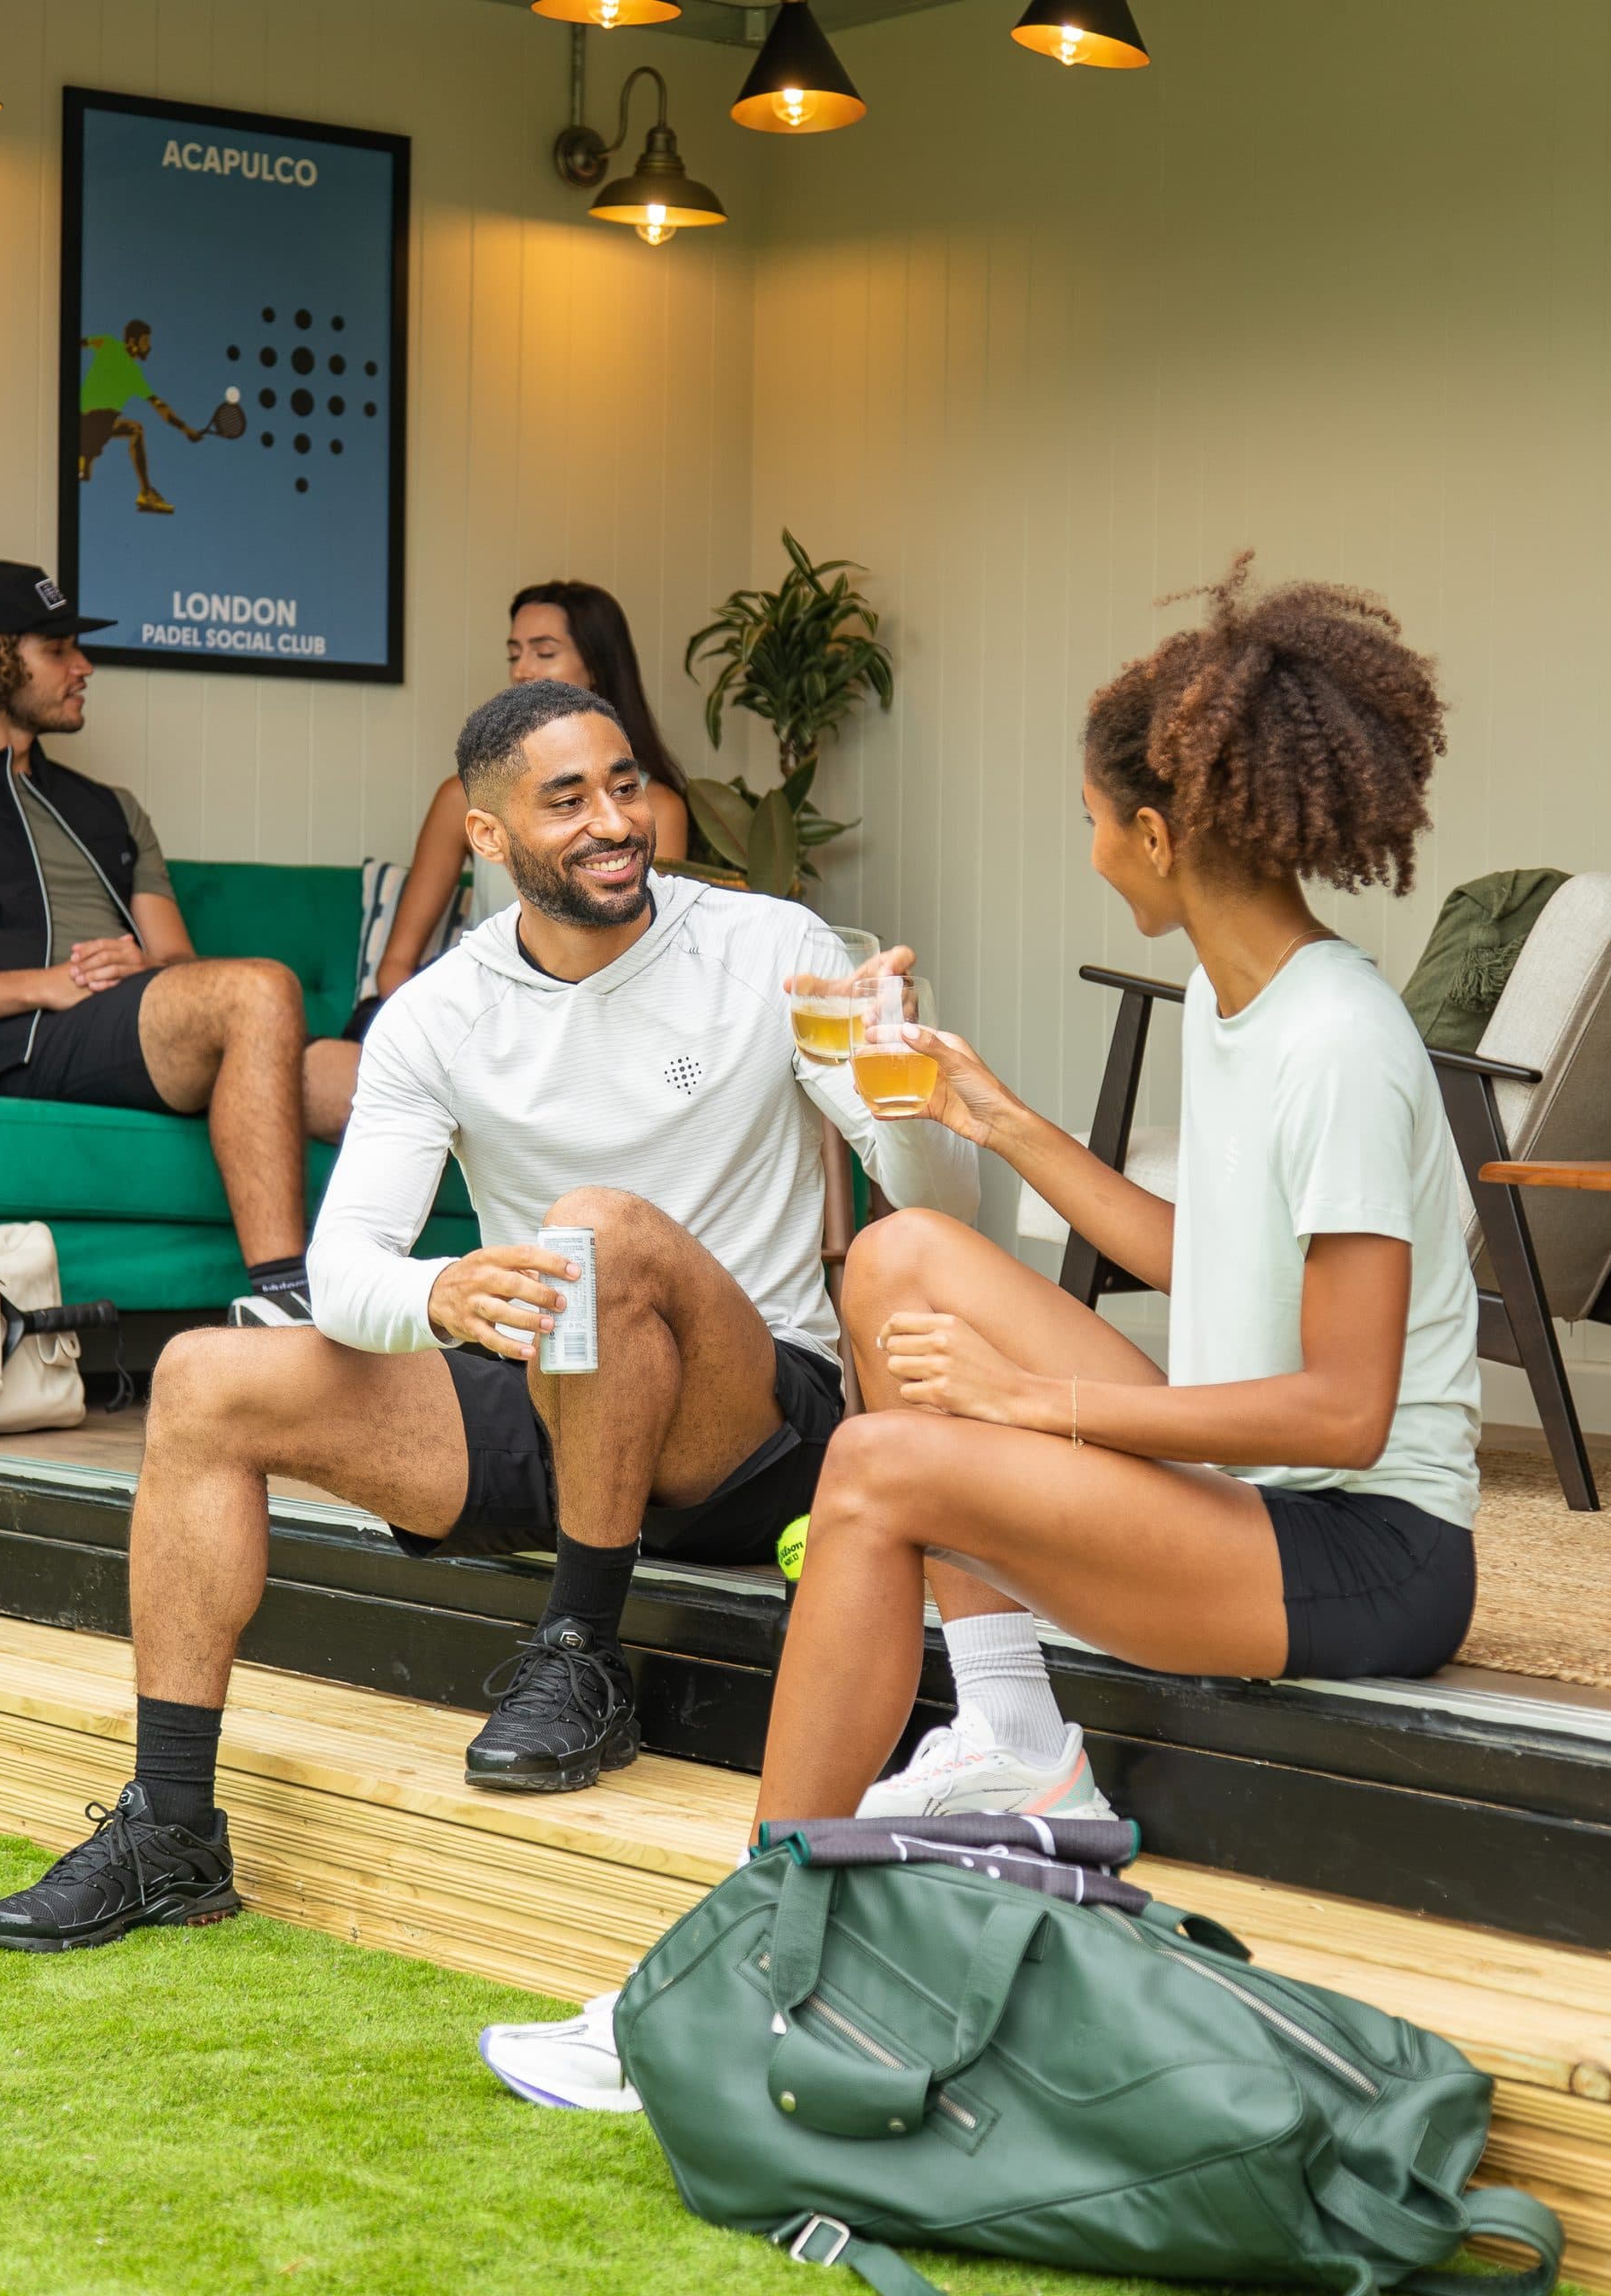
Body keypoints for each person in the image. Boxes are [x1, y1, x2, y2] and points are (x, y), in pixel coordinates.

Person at [475, 552, 1482, 2114]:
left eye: (1093, 824)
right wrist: (993, 1117)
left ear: (1160, 833)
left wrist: (1032, 1403)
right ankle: (1016, 1732)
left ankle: (739, 1974)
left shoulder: (1337, 1042)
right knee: (906, 1258)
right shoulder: (1246, 1001)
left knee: (878, 1470)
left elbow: (1344, 1412)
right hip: (1263, 1498)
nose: (1089, 853)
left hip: (1364, 1546)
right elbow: (1200, 1261)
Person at [0, 674, 978, 1953]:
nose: (616, 820)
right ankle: (171, 1824)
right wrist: (440, 1290)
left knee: (599, 1230)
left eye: (625, 785)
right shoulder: (438, 1014)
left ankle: (580, 1646)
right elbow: (343, 1273)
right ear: (490, 838)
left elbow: (939, 1209)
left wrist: (914, 1103)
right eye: (568, 800)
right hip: (560, 1391)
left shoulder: (776, 949)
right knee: (202, 1382)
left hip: (751, 1426)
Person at [0, 560, 341, 1326]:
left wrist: (147, 964)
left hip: (130, 1030)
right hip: (17, 1044)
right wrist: (39, 985)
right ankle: (284, 1304)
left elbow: (182, 964)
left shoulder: (111, 809)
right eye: (58, 649)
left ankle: (446, 1311)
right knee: (262, 987)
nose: (83, 666)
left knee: (366, 1071)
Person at [332, 581, 690, 1068]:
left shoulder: (657, 809)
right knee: (316, 1070)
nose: (521, 670)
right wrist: (446, 1042)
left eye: (544, 653)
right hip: (473, 1028)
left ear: (597, 670)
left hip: (590, 1040)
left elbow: (649, 966)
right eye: (515, 653)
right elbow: (397, 966)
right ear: (487, 833)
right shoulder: (462, 799)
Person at [77, 320, 203, 515]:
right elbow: (79, 343)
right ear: (133, 341)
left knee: (135, 429)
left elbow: (161, 408)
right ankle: (82, 457)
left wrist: (186, 429)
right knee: (106, 419)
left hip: (99, 427)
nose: (149, 347)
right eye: (146, 342)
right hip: (82, 420)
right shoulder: (108, 344)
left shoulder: (135, 375)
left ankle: (145, 493)